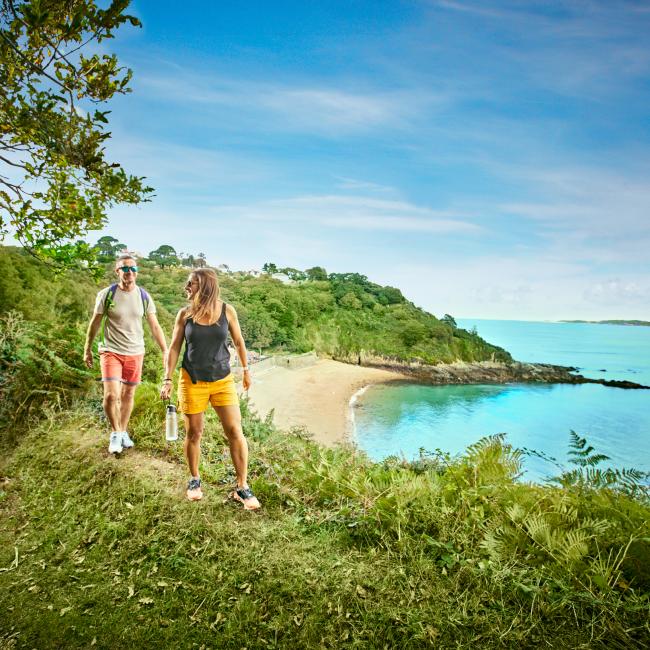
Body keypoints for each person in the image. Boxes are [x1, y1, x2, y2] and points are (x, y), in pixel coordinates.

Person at [160, 268, 260, 509]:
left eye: (192, 283)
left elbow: (238, 341)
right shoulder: (185, 314)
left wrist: (246, 370)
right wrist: (167, 378)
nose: (187, 287)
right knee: (194, 433)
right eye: (188, 283)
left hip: (223, 380)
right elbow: (174, 348)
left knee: (235, 431)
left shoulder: (228, 311)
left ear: (205, 286)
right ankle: (194, 479)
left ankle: (242, 487)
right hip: (192, 379)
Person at [84, 254, 168, 454]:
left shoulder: (144, 296)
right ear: (117, 271)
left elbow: (155, 326)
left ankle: (123, 432)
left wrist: (165, 350)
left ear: (137, 272)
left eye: (133, 269)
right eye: (125, 268)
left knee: (128, 394)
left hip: (135, 351)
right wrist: (87, 348)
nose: (130, 272)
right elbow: (95, 322)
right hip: (110, 350)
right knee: (111, 395)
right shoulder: (107, 294)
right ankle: (115, 432)